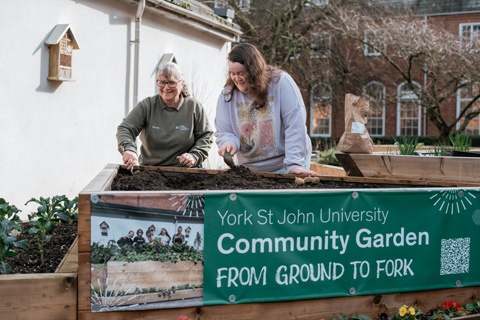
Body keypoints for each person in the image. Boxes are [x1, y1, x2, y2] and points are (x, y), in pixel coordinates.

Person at [214, 43, 318, 176]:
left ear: (253, 71)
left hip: (286, 163)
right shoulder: (227, 95)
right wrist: (229, 142)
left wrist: (293, 164)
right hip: (249, 168)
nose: (236, 78)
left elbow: (295, 125)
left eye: (241, 73)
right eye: (232, 74)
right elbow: (224, 131)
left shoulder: (281, 83)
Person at [117, 62, 214, 170]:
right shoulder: (147, 106)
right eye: (162, 82)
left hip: (187, 172)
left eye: (172, 82)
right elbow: (125, 128)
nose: (166, 87)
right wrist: (129, 149)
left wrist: (195, 155)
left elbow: (206, 136)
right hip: (151, 171)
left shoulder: (194, 107)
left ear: (182, 84)